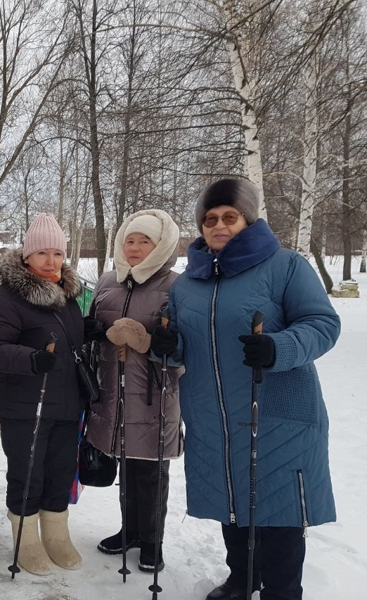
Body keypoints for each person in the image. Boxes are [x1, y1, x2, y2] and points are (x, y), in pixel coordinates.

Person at [152, 179, 340, 600]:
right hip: (211, 414)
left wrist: (279, 346)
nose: (219, 225)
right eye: (210, 219)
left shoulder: (286, 265)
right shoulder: (186, 284)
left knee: (279, 509)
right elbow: (182, 347)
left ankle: (281, 590)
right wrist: (167, 347)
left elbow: (323, 324)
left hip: (275, 411)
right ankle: (242, 577)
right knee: (231, 500)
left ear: (247, 219)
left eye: (229, 217)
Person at [0, 213, 85, 575]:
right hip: (26, 405)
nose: (50, 261)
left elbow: (71, 339)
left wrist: (94, 331)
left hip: (67, 403)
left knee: (59, 471)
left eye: (57, 254)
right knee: (28, 473)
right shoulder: (6, 297)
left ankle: (56, 534)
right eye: (42, 253)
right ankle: (26, 538)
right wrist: (32, 359)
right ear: (27, 256)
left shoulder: (69, 297)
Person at [84, 209, 183, 573]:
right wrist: (92, 331)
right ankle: (130, 530)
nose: (136, 247)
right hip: (113, 389)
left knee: (152, 470)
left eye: (145, 241)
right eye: (130, 240)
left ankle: (152, 542)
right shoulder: (108, 281)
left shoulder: (176, 285)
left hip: (154, 394)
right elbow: (93, 324)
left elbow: (187, 348)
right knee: (126, 465)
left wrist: (152, 343)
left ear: (161, 246)